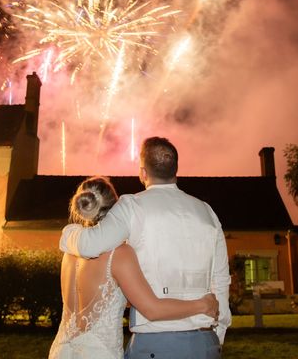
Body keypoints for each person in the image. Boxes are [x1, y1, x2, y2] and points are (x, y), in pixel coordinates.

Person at [60, 137, 231, 359]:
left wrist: (67, 233)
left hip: (154, 344)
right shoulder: (207, 211)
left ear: (143, 172)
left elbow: (91, 244)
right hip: (204, 343)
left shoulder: (131, 206)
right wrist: (217, 335)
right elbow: (220, 279)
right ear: (176, 170)